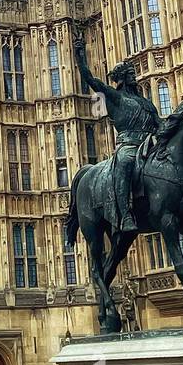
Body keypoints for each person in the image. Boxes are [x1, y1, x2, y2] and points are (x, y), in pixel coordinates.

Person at [73, 36, 159, 233]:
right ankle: (125, 214)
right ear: (122, 78)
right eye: (130, 74)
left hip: (149, 145)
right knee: (125, 162)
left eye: (134, 74)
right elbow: (91, 80)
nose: (134, 77)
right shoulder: (115, 97)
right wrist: (80, 57)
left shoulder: (147, 104)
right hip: (128, 145)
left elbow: (160, 125)